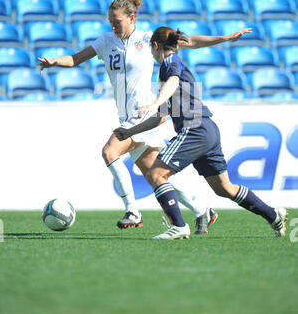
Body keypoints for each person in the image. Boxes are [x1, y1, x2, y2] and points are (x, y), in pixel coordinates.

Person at [38, 0, 252, 234]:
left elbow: (190, 41)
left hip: (144, 114)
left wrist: (225, 38)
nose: (113, 26)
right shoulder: (105, 41)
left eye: (116, 22)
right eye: (110, 22)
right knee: (154, 175)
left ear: (132, 18)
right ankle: (202, 208)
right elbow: (77, 58)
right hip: (127, 115)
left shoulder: (148, 39)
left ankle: (132, 211)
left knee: (109, 151)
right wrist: (56, 61)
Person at [114, 26, 288, 240]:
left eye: (151, 49)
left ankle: (178, 226)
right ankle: (273, 214)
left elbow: (172, 83)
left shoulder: (170, 63)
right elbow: (161, 116)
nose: (151, 54)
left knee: (155, 174)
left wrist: (154, 101)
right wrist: (130, 131)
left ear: (156, 46)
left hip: (194, 129)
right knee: (224, 188)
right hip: (207, 129)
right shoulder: (177, 67)